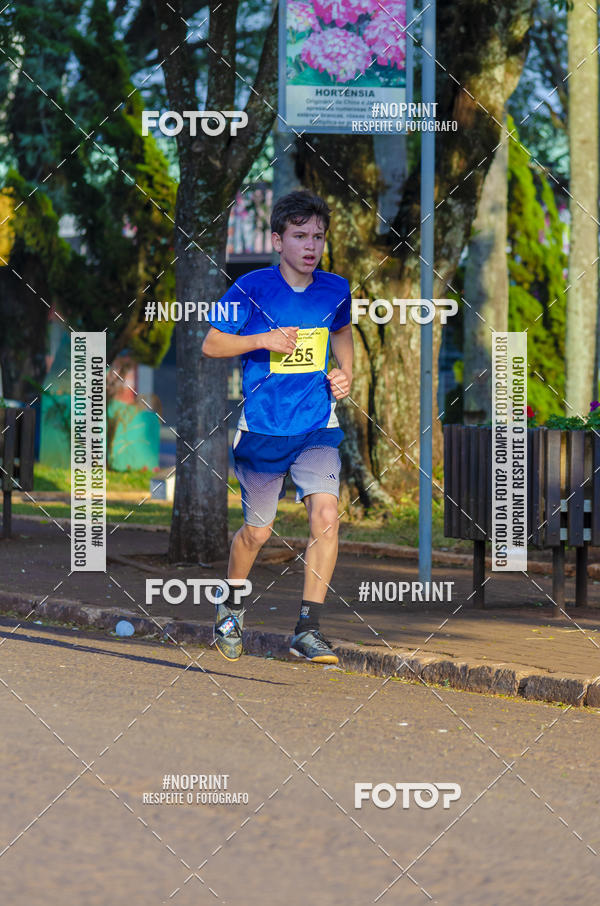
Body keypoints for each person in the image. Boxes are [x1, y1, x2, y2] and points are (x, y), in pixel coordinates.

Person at [202, 189, 354, 664]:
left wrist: (345, 373)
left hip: (316, 424)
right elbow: (211, 344)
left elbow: (343, 332)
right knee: (257, 533)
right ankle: (230, 606)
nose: (311, 245)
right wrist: (263, 338)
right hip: (264, 428)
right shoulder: (250, 288)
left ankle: (307, 629)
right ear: (277, 239)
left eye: (319, 237)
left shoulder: (336, 288)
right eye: (300, 236)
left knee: (327, 515)